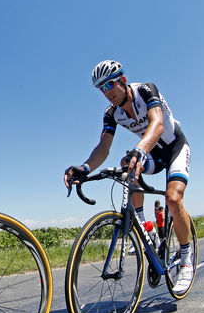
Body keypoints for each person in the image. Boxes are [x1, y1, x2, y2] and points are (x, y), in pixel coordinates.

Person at [64, 60, 194, 294]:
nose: (107, 93)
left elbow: (157, 123)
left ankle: (186, 259)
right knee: (126, 166)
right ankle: (147, 229)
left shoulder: (145, 90)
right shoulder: (111, 114)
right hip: (151, 152)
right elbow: (103, 147)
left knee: (173, 199)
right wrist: (85, 167)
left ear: (123, 80)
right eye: (101, 89)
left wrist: (141, 149)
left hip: (174, 147)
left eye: (109, 86)